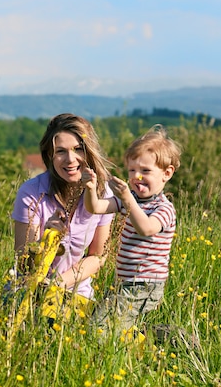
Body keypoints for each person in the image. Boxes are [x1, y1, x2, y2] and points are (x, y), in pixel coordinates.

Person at [11, 113, 114, 318]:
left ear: (89, 151)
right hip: (30, 294)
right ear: (50, 156)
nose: (70, 159)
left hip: (77, 291)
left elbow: (97, 256)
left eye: (78, 150)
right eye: (61, 152)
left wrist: (58, 284)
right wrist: (45, 240)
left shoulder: (103, 194)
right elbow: (23, 264)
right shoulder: (31, 193)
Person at [82, 124, 182, 334]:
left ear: (167, 173)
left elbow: (146, 228)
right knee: (110, 324)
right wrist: (90, 189)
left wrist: (127, 199)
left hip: (145, 285)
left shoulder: (163, 208)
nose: (136, 177)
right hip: (126, 283)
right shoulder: (132, 200)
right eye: (132, 170)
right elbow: (96, 207)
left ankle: (166, 339)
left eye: (145, 171)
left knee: (100, 327)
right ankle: (156, 338)